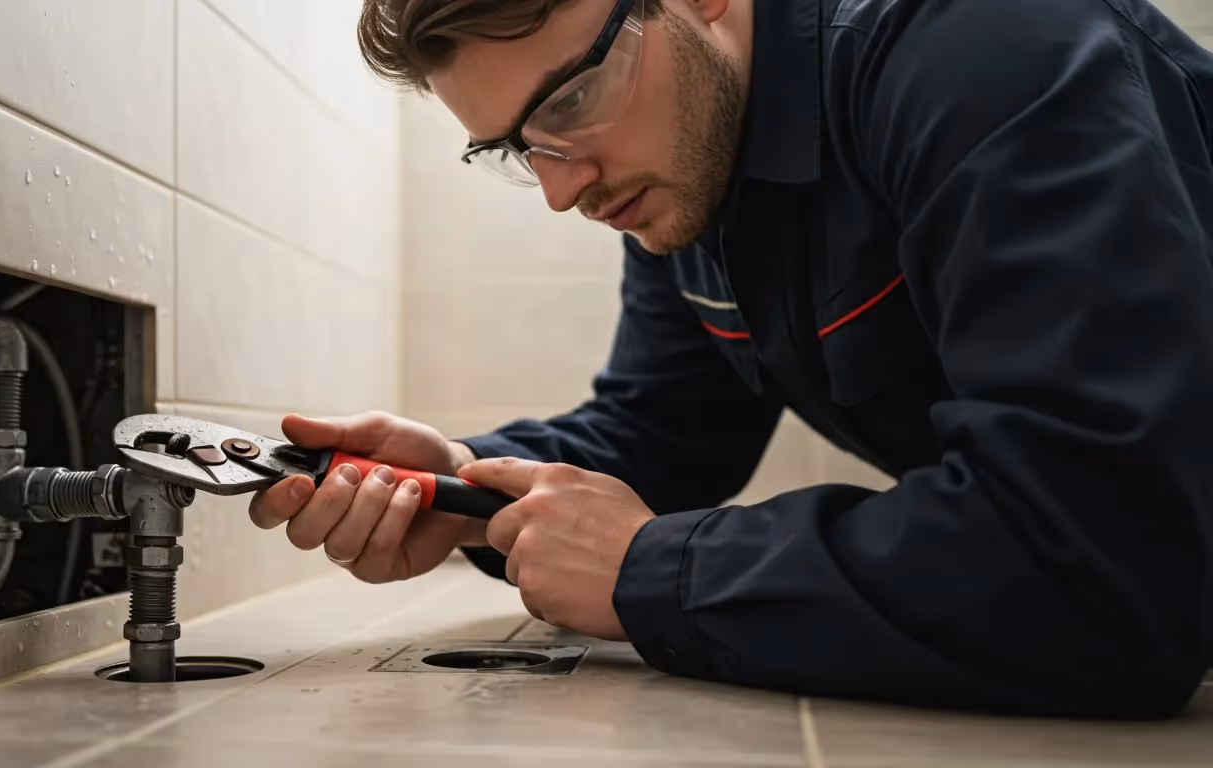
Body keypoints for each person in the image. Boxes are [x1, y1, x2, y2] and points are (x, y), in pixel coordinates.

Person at [249, 0, 1213, 718]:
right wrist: (461, 490)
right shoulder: (685, 174)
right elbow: (661, 430)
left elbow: (1104, 559)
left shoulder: (982, 46)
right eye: (517, 150)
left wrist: (654, 571)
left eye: (573, 100)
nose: (560, 190)